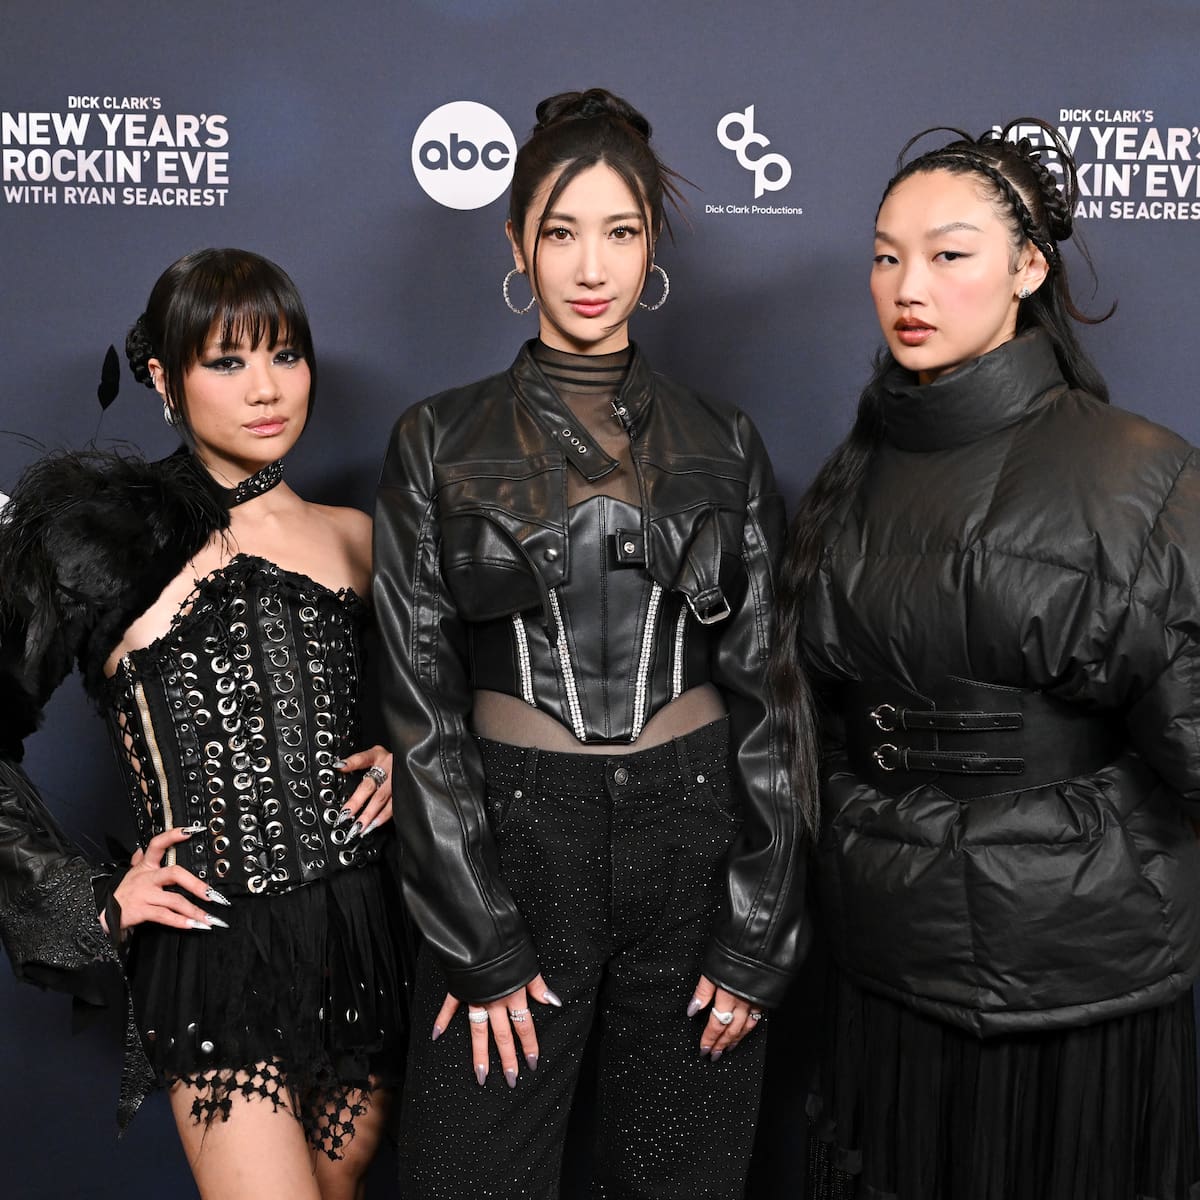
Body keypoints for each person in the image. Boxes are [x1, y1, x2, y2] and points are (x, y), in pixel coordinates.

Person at [373, 87, 807, 1197]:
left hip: (694, 841)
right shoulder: (437, 437)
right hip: (515, 844)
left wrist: (757, 927)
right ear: (515, 241)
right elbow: (420, 706)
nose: (590, 266)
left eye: (620, 231)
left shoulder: (726, 438)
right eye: (561, 232)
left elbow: (770, 696)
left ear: (652, 246)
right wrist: (476, 931)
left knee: (681, 1178)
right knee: (469, 1175)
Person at [773, 120, 1200, 1200]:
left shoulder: (1138, 477)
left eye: (949, 254)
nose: (908, 287)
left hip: (1075, 981)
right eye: (886, 257)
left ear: (1029, 269)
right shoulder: (849, 478)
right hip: (882, 968)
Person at [0, 248, 407, 1200]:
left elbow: (461, 710)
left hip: (361, 938)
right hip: (211, 946)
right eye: (228, 361)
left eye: (286, 355)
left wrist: (411, 760)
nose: (267, 389)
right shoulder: (98, 539)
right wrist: (93, 898)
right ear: (161, 376)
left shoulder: (361, 538)